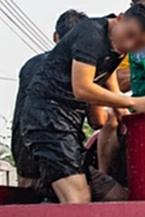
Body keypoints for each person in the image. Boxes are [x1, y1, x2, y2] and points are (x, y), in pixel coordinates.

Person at [20, 4, 145, 204]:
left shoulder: (117, 41)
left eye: (141, 44)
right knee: (78, 200)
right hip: (48, 119)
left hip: (70, 127)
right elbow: (82, 88)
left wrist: (123, 113)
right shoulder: (92, 35)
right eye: (130, 35)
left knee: (118, 198)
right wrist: (132, 101)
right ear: (120, 17)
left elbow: (108, 72)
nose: (131, 45)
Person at [11, 10, 89, 188]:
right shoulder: (80, 68)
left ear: (56, 36)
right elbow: (98, 120)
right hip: (61, 164)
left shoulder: (30, 65)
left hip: (25, 168)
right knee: (119, 195)